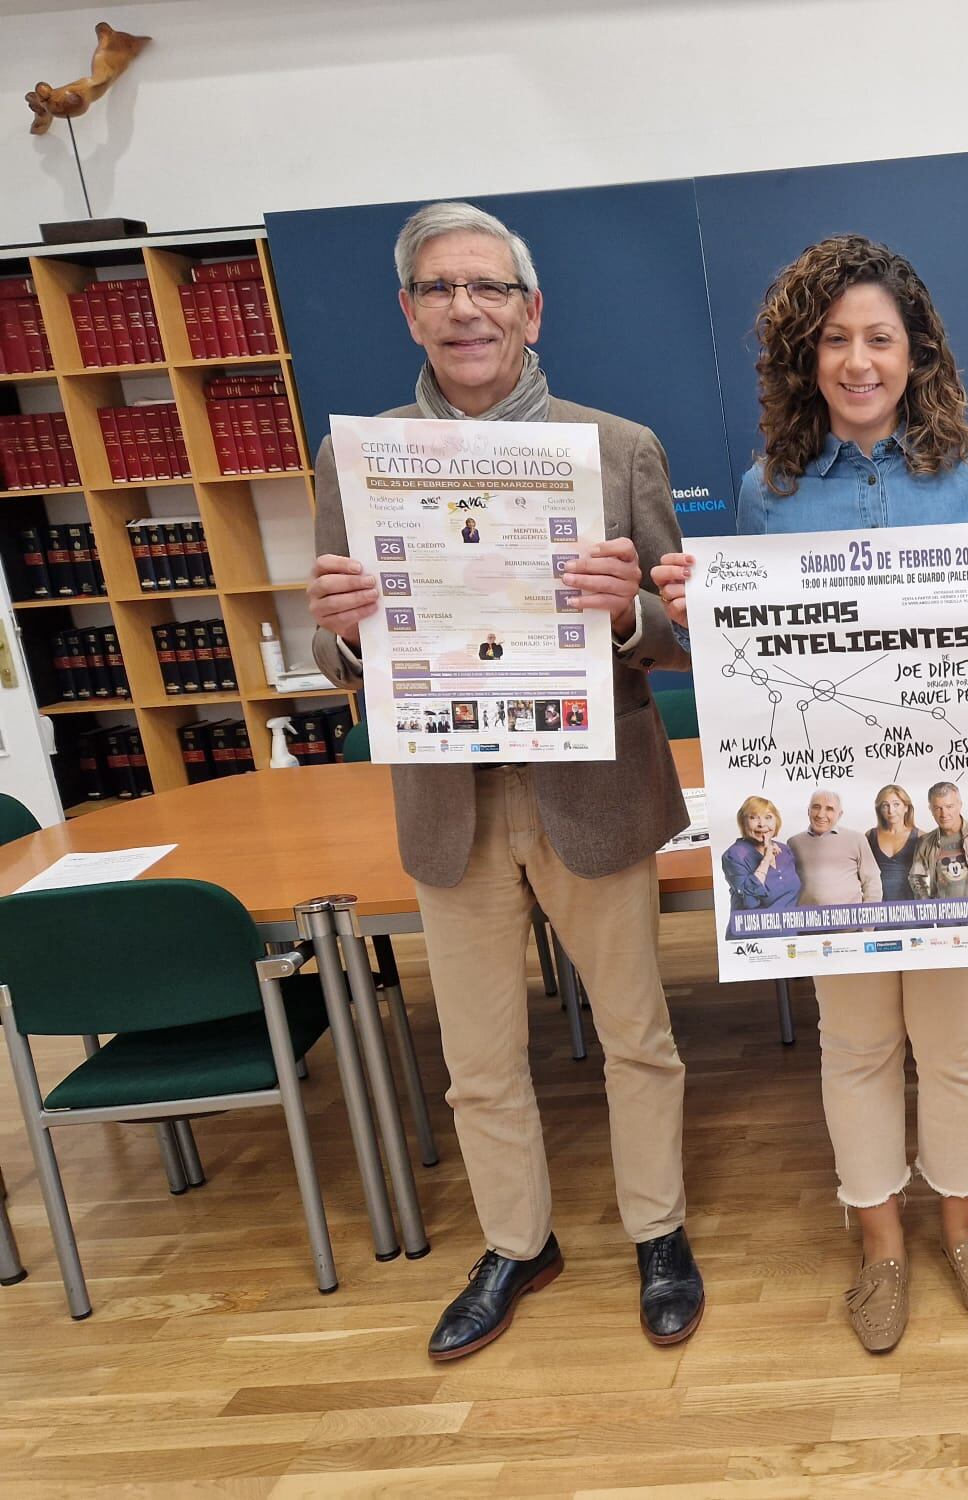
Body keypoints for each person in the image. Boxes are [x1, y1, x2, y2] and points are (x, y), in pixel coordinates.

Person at [305, 201, 703, 1361]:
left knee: (637, 1034)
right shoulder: (356, 457)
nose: (464, 308)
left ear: (532, 310)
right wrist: (339, 633)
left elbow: (675, 633)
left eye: (487, 288)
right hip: (451, 799)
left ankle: (658, 1230)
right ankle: (517, 1242)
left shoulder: (616, 447)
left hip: (591, 789)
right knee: (476, 1058)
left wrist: (624, 611)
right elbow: (338, 645)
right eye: (440, 289)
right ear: (409, 312)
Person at [654, 235, 968, 1353]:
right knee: (855, 1041)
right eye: (833, 339)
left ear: (913, 347)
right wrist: (702, 616)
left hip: (948, 798)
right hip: (826, 817)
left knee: (960, 1035)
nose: (857, 360)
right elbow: (748, 662)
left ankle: (964, 1225)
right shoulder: (766, 489)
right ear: (804, 356)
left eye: (877, 337)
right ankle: (878, 1242)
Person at [789, 789, 881, 909]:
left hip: (849, 925)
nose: (821, 814)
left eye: (829, 809)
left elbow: (872, 883)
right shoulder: (793, 842)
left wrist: (867, 925)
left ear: (840, 814)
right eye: (816, 807)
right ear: (808, 811)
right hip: (807, 924)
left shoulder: (857, 839)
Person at [721, 795, 802, 911]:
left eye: (768, 817)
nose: (762, 824)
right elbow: (749, 902)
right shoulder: (734, 856)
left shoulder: (785, 850)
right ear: (743, 822)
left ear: (776, 820)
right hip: (755, 928)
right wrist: (766, 860)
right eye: (753, 817)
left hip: (789, 927)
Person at [868, 784, 921, 901]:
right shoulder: (870, 836)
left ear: (906, 807)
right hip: (878, 903)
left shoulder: (921, 836)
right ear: (879, 809)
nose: (891, 810)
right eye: (885, 805)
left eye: (896, 804)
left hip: (911, 903)